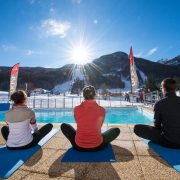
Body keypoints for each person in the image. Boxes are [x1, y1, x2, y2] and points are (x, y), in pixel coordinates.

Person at [61, 85, 120, 151]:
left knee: (64, 126)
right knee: (116, 130)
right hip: (97, 146)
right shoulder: (102, 110)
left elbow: (79, 123)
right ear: (95, 95)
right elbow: (99, 126)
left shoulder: (76, 109)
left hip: (78, 146)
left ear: (83, 96)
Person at [134, 78, 180, 149]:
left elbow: (157, 125)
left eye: (161, 88)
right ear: (175, 88)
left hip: (169, 142)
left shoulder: (159, 103)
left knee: (137, 128)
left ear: (164, 89)